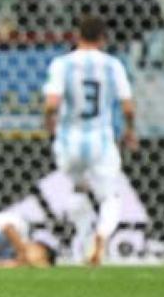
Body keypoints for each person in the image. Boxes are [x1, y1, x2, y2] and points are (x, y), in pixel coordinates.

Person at [43, 15, 137, 266]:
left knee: (77, 190)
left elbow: (51, 103)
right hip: (101, 140)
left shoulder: (62, 64)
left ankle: (83, 241)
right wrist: (130, 130)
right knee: (110, 197)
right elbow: (127, 107)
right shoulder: (112, 65)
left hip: (68, 141)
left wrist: (49, 124)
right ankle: (101, 238)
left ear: (77, 35)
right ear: (103, 38)